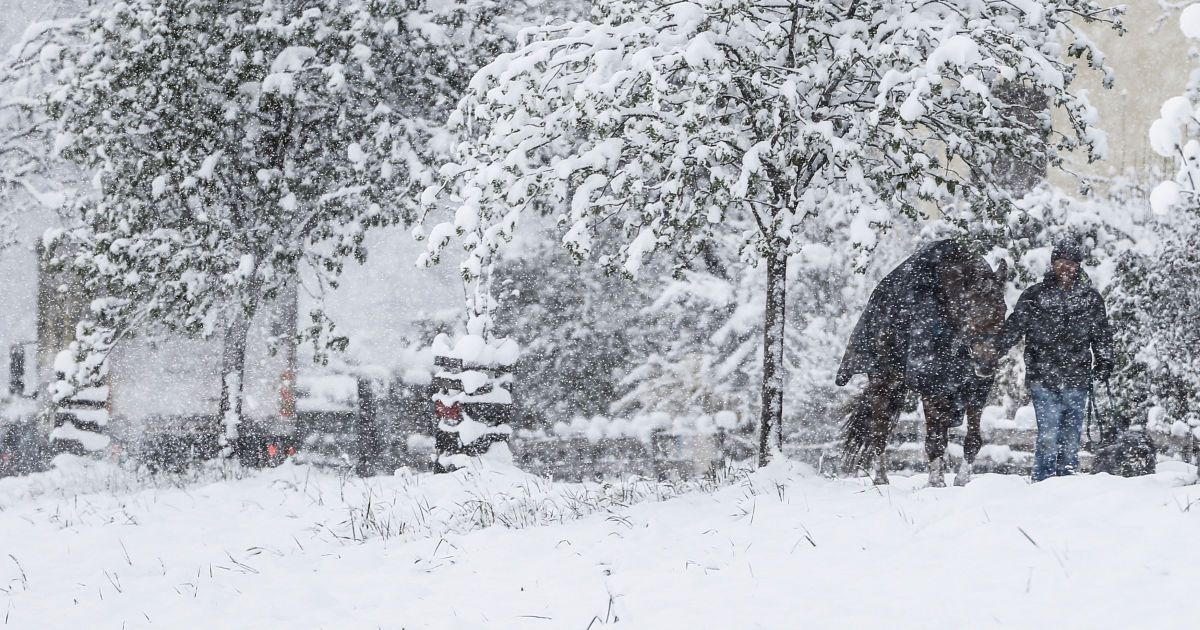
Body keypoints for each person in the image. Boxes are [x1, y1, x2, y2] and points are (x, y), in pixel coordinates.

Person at [999, 239, 1114, 482]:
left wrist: (1104, 362)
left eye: (1071, 264)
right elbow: (1014, 327)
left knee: (1071, 438)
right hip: (1043, 377)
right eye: (1061, 263)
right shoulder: (1034, 296)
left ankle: (1067, 484)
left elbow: (1101, 334)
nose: (1065, 268)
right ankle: (1042, 482)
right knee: (1049, 436)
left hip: (1077, 378)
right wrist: (993, 348)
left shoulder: (1090, 299)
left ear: (1078, 267)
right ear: (1053, 265)